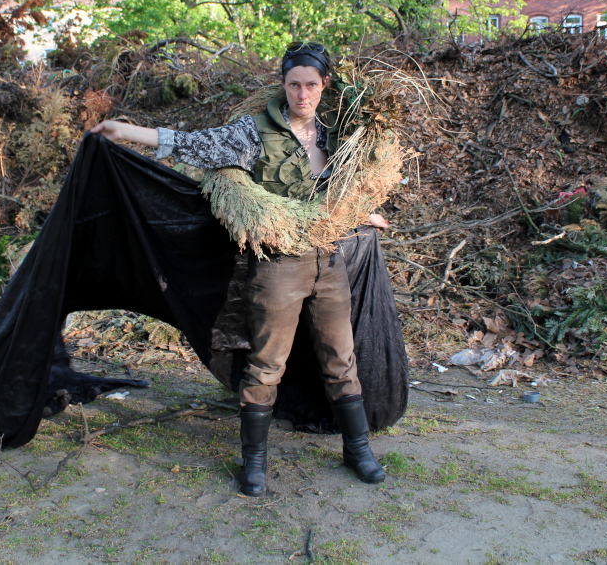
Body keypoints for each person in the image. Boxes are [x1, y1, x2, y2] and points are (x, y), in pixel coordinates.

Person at [91, 42, 387, 496]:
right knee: (267, 363)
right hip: (277, 267)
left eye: (311, 85)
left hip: (328, 263)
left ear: (324, 86)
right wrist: (128, 131)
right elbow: (193, 143)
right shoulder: (253, 132)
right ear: (283, 85)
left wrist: (360, 213)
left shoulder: (335, 136)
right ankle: (254, 462)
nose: (302, 94)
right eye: (293, 84)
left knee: (341, 360)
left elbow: (346, 190)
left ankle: (358, 449)